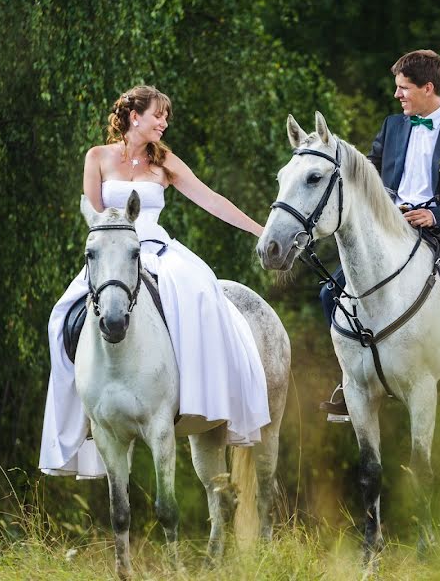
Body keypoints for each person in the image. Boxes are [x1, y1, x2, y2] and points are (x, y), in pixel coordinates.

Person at [40, 85, 271, 478]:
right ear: (135, 117)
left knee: (201, 292)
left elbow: (210, 199)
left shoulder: (164, 163)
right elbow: (96, 222)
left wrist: (258, 230)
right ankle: (83, 420)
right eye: (158, 115)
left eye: (165, 117)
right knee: (60, 318)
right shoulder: (96, 157)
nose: (164, 123)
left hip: (157, 250)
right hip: (113, 256)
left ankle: (201, 394)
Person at [319, 49, 440, 416]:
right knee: (331, 292)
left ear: (428, 87)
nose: (397, 95)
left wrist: (435, 214)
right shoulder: (393, 126)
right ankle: (350, 377)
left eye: (403, 88)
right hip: (394, 225)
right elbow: (370, 175)